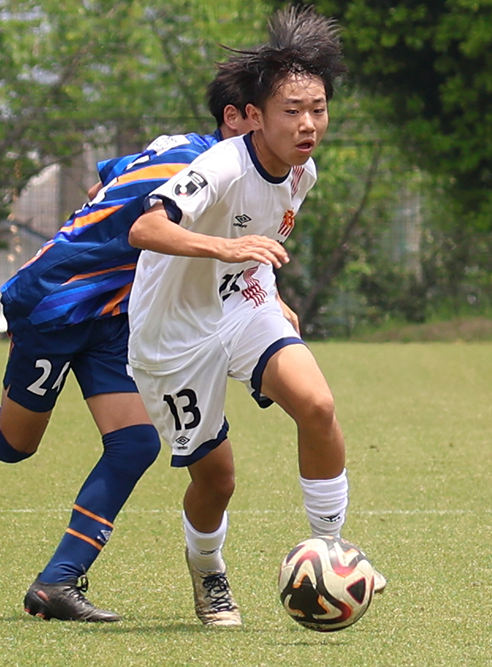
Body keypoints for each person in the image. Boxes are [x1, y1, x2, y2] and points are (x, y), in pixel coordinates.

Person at [0, 65, 257, 623]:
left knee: (135, 443)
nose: (295, 126)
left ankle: (57, 581)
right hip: (56, 302)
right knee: (13, 442)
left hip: (112, 314)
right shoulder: (195, 167)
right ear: (237, 117)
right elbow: (147, 223)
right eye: (277, 112)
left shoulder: (182, 147)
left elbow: (105, 183)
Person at [126, 5, 383, 628]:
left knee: (317, 407)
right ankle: (207, 569)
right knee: (218, 481)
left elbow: (260, 238)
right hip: (172, 336)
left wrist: (266, 287)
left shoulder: (302, 172)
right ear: (257, 115)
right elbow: (145, 228)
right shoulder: (220, 165)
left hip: (241, 305)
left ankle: (331, 552)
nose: (308, 123)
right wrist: (226, 249)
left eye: (318, 108)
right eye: (292, 111)